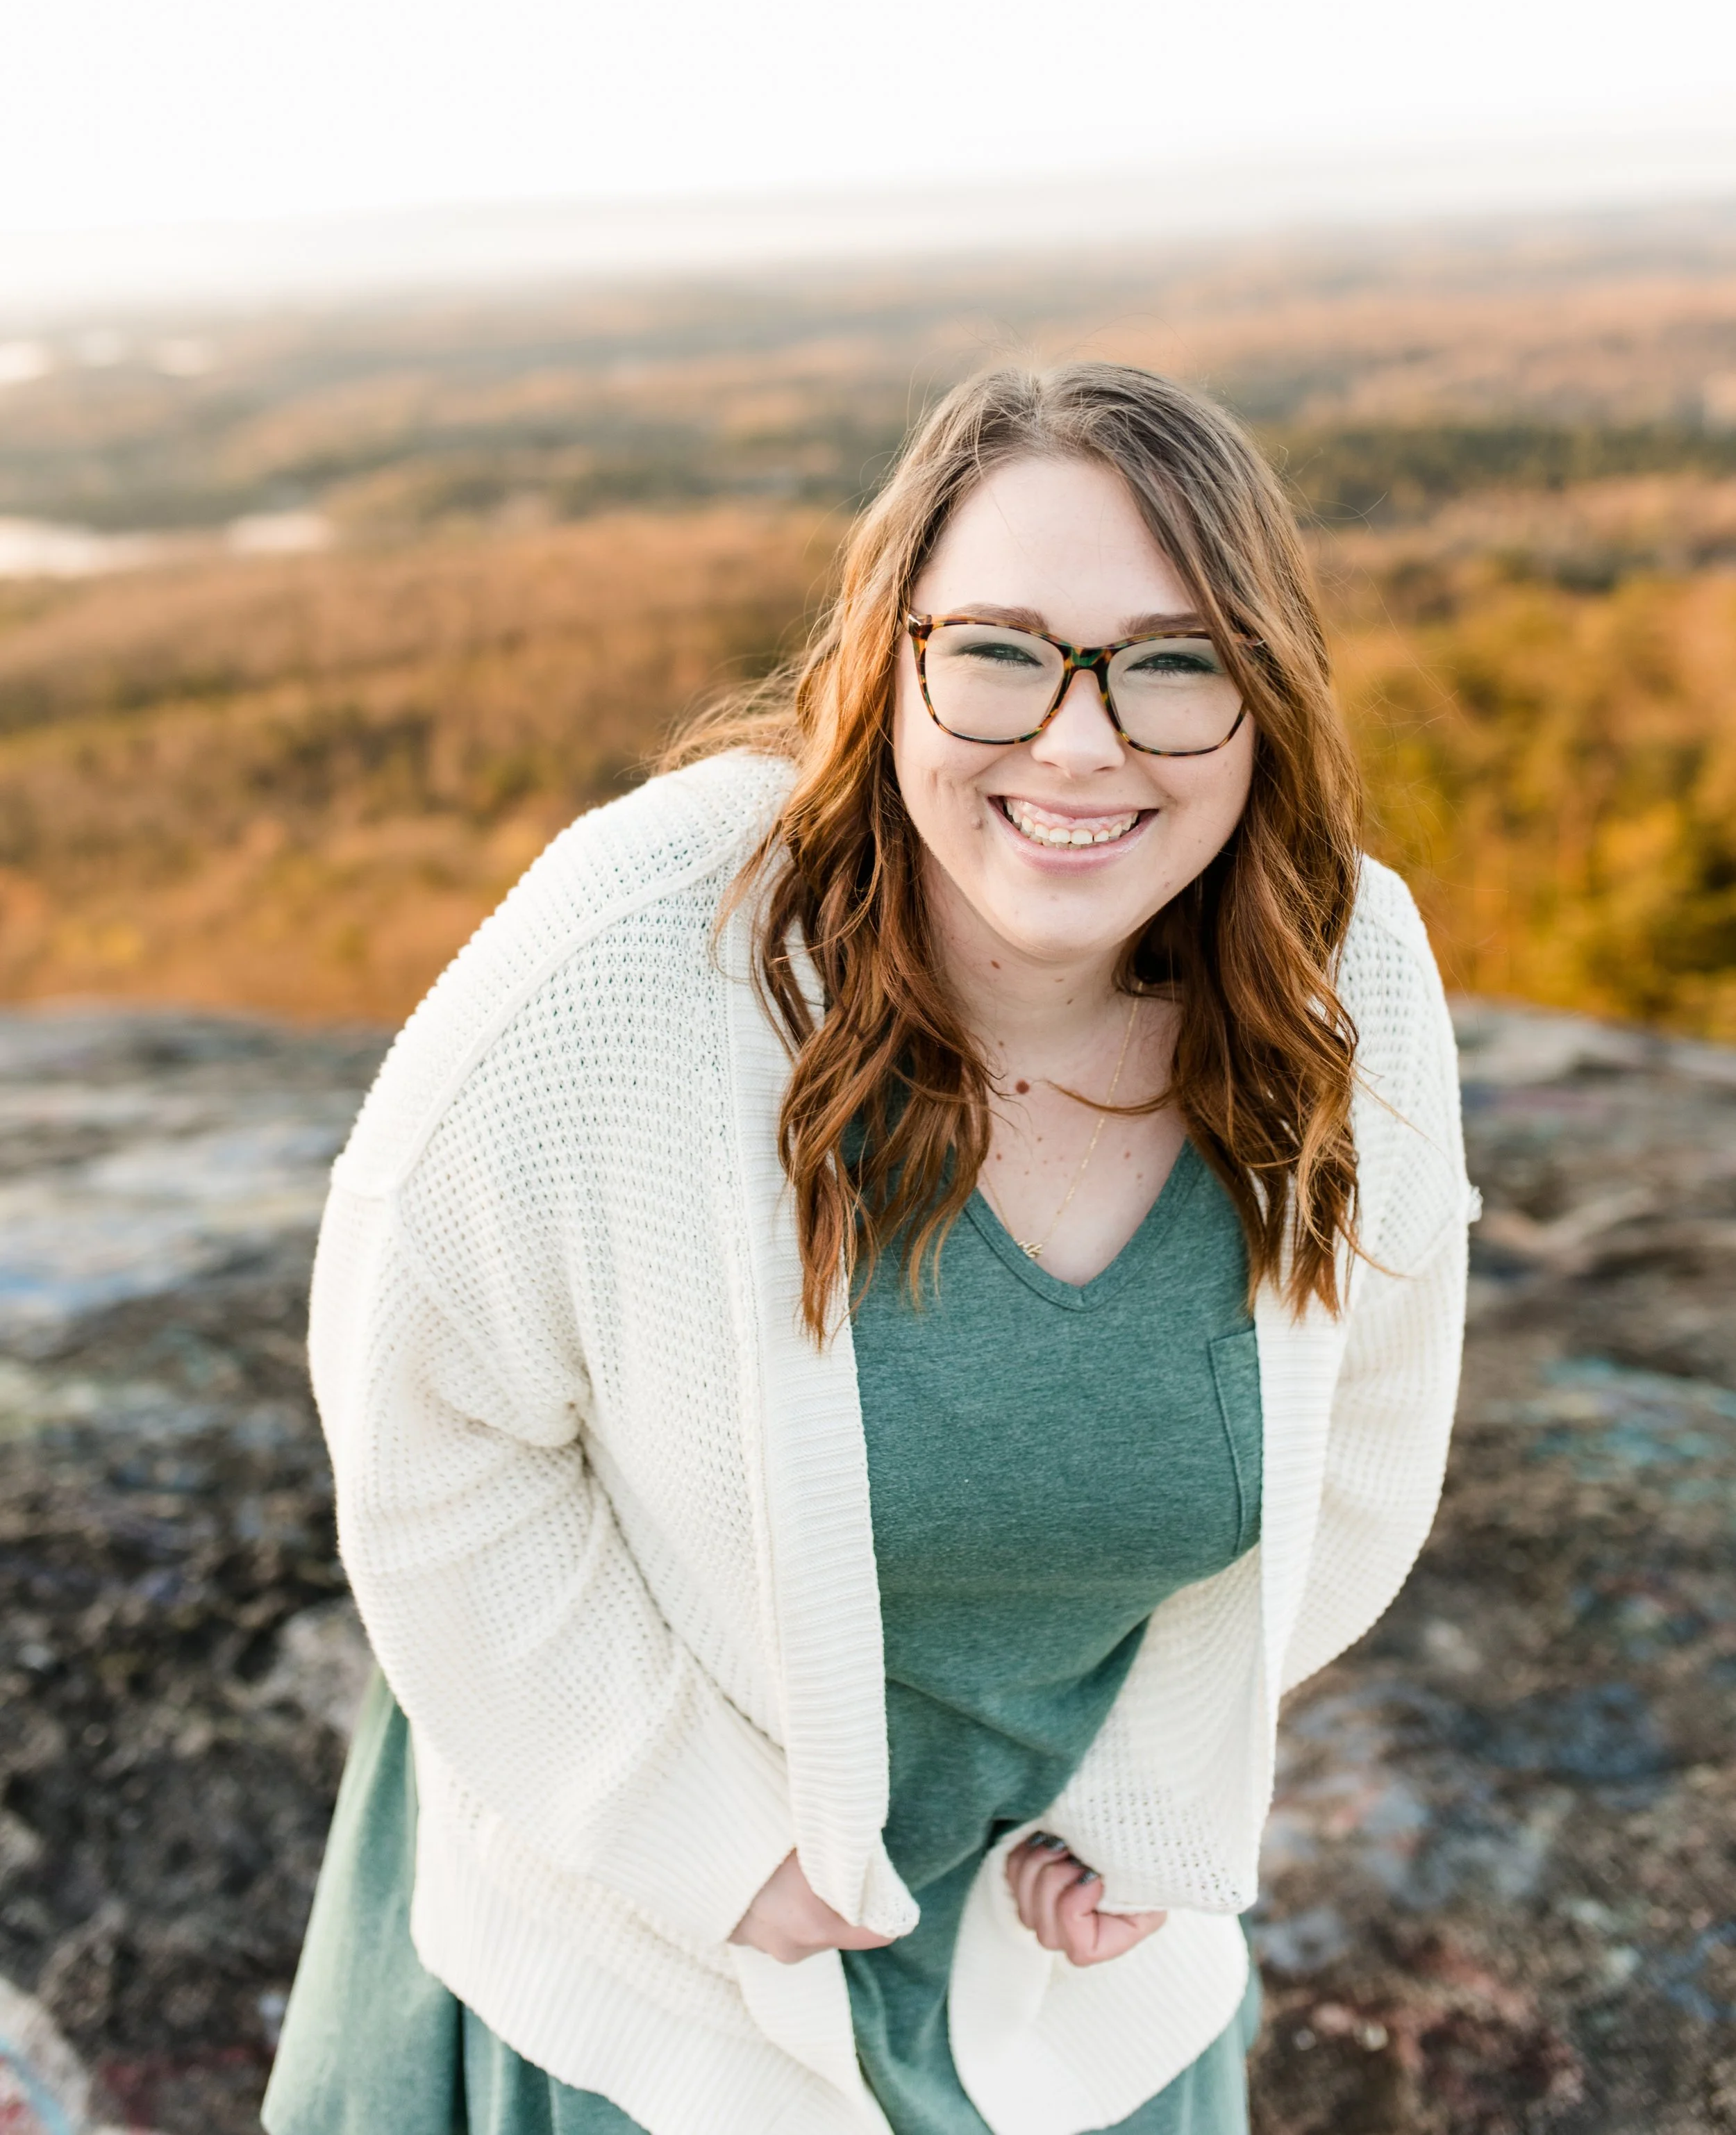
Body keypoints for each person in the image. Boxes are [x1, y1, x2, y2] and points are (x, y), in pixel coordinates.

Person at [264, 362, 1471, 2135]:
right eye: (996, 649)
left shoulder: (1339, 973)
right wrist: (702, 1837)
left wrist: (1149, 1794)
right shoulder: (636, 957)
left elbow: (1364, 1441)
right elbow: (430, 1428)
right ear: (884, 657)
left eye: (1171, 661)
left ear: (1259, 701)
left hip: (1066, 1979)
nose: (1077, 741)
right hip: (651, 1975)